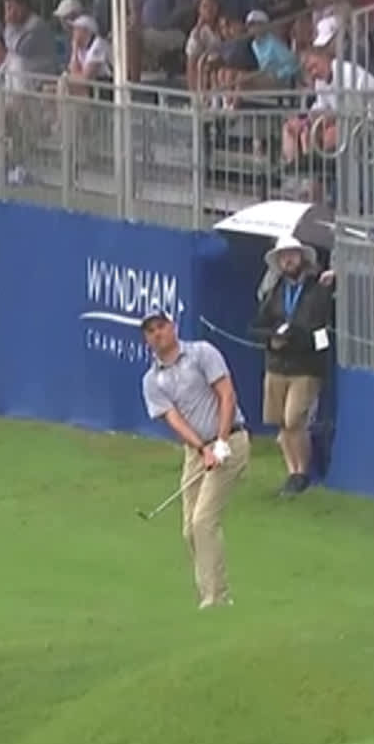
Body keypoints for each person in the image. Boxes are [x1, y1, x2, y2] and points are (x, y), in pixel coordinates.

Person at [139, 310, 252, 610]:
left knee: (204, 520)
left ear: (173, 327)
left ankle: (217, 597)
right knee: (190, 528)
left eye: (161, 326)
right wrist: (203, 449)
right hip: (198, 451)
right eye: (150, 331)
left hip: (231, 440)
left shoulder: (202, 353)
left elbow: (227, 395)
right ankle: (209, 592)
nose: (157, 334)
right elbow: (174, 420)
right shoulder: (152, 380)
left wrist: (222, 442)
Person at [250, 236, 335, 497]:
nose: (288, 260)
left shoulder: (317, 289)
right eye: (283, 256)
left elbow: (321, 330)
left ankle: (302, 473)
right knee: (280, 422)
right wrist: (272, 339)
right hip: (277, 365)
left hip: (305, 367)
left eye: (292, 255)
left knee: (294, 418)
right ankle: (292, 471)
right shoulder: (275, 291)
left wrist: (295, 339)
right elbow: (258, 325)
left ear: (302, 257)